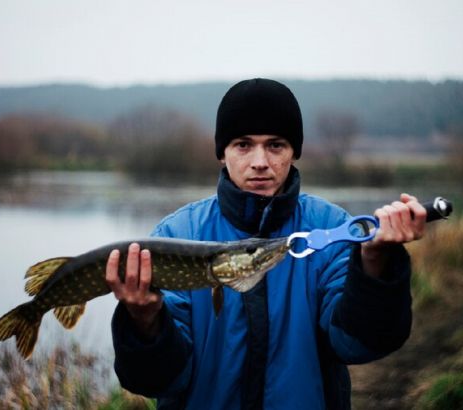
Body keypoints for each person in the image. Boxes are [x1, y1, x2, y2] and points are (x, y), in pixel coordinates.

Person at [105, 78, 426, 409]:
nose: (260, 161)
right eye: (243, 145)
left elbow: (357, 343)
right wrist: (144, 322)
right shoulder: (176, 234)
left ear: (293, 153)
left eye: (275, 145)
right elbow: (158, 380)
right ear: (222, 154)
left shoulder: (331, 228)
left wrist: (374, 264)